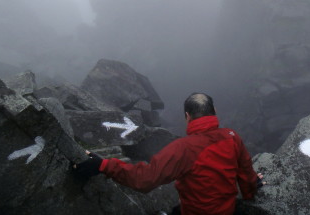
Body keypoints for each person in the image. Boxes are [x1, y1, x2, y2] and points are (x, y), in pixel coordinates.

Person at [74, 92, 264, 215]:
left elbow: (145, 179)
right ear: (214, 111)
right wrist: (250, 191)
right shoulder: (232, 137)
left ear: (187, 117)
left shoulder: (183, 148)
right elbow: (246, 173)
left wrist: (104, 165)